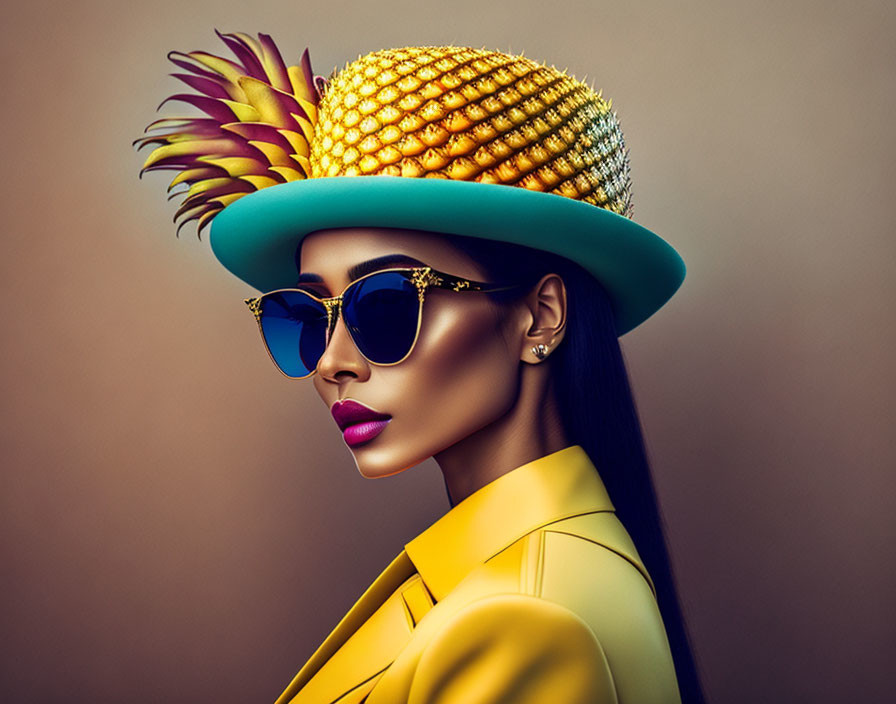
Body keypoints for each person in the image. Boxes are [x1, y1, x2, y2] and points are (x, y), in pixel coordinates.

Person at [137, 32, 704, 704]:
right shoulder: (508, 576)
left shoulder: (523, 626)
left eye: (385, 305)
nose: (333, 362)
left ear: (540, 316)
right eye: (306, 315)